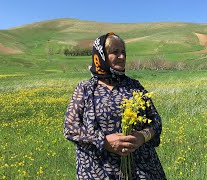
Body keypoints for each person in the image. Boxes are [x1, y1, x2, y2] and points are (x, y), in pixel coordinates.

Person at [64, 32, 166, 179]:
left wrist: (142, 137)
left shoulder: (135, 86)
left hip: (141, 169)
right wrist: (104, 141)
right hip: (99, 170)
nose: (122, 57)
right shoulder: (85, 88)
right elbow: (70, 128)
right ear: (101, 56)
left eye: (123, 52)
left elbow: (156, 121)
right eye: (115, 52)